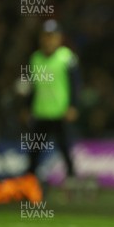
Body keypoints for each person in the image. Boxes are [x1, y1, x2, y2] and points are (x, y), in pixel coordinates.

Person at [25, 19, 80, 184]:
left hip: (60, 112)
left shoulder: (66, 57)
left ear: (59, 38)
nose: (48, 40)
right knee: (34, 151)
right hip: (40, 112)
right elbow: (31, 87)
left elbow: (75, 84)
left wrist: (73, 106)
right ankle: (28, 184)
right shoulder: (34, 59)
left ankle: (71, 181)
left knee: (65, 150)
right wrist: (27, 107)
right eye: (46, 36)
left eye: (52, 36)